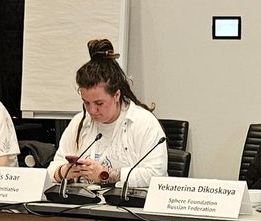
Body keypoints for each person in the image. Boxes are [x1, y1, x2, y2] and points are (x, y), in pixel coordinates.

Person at [46, 39, 170, 192]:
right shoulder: (80, 122)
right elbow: (51, 170)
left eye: (99, 103)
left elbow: (157, 175)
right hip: (82, 206)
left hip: (127, 209)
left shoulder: (143, 122)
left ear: (116, 95)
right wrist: (64, 172)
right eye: (86, 102)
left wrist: (106, 175)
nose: (92, 111)